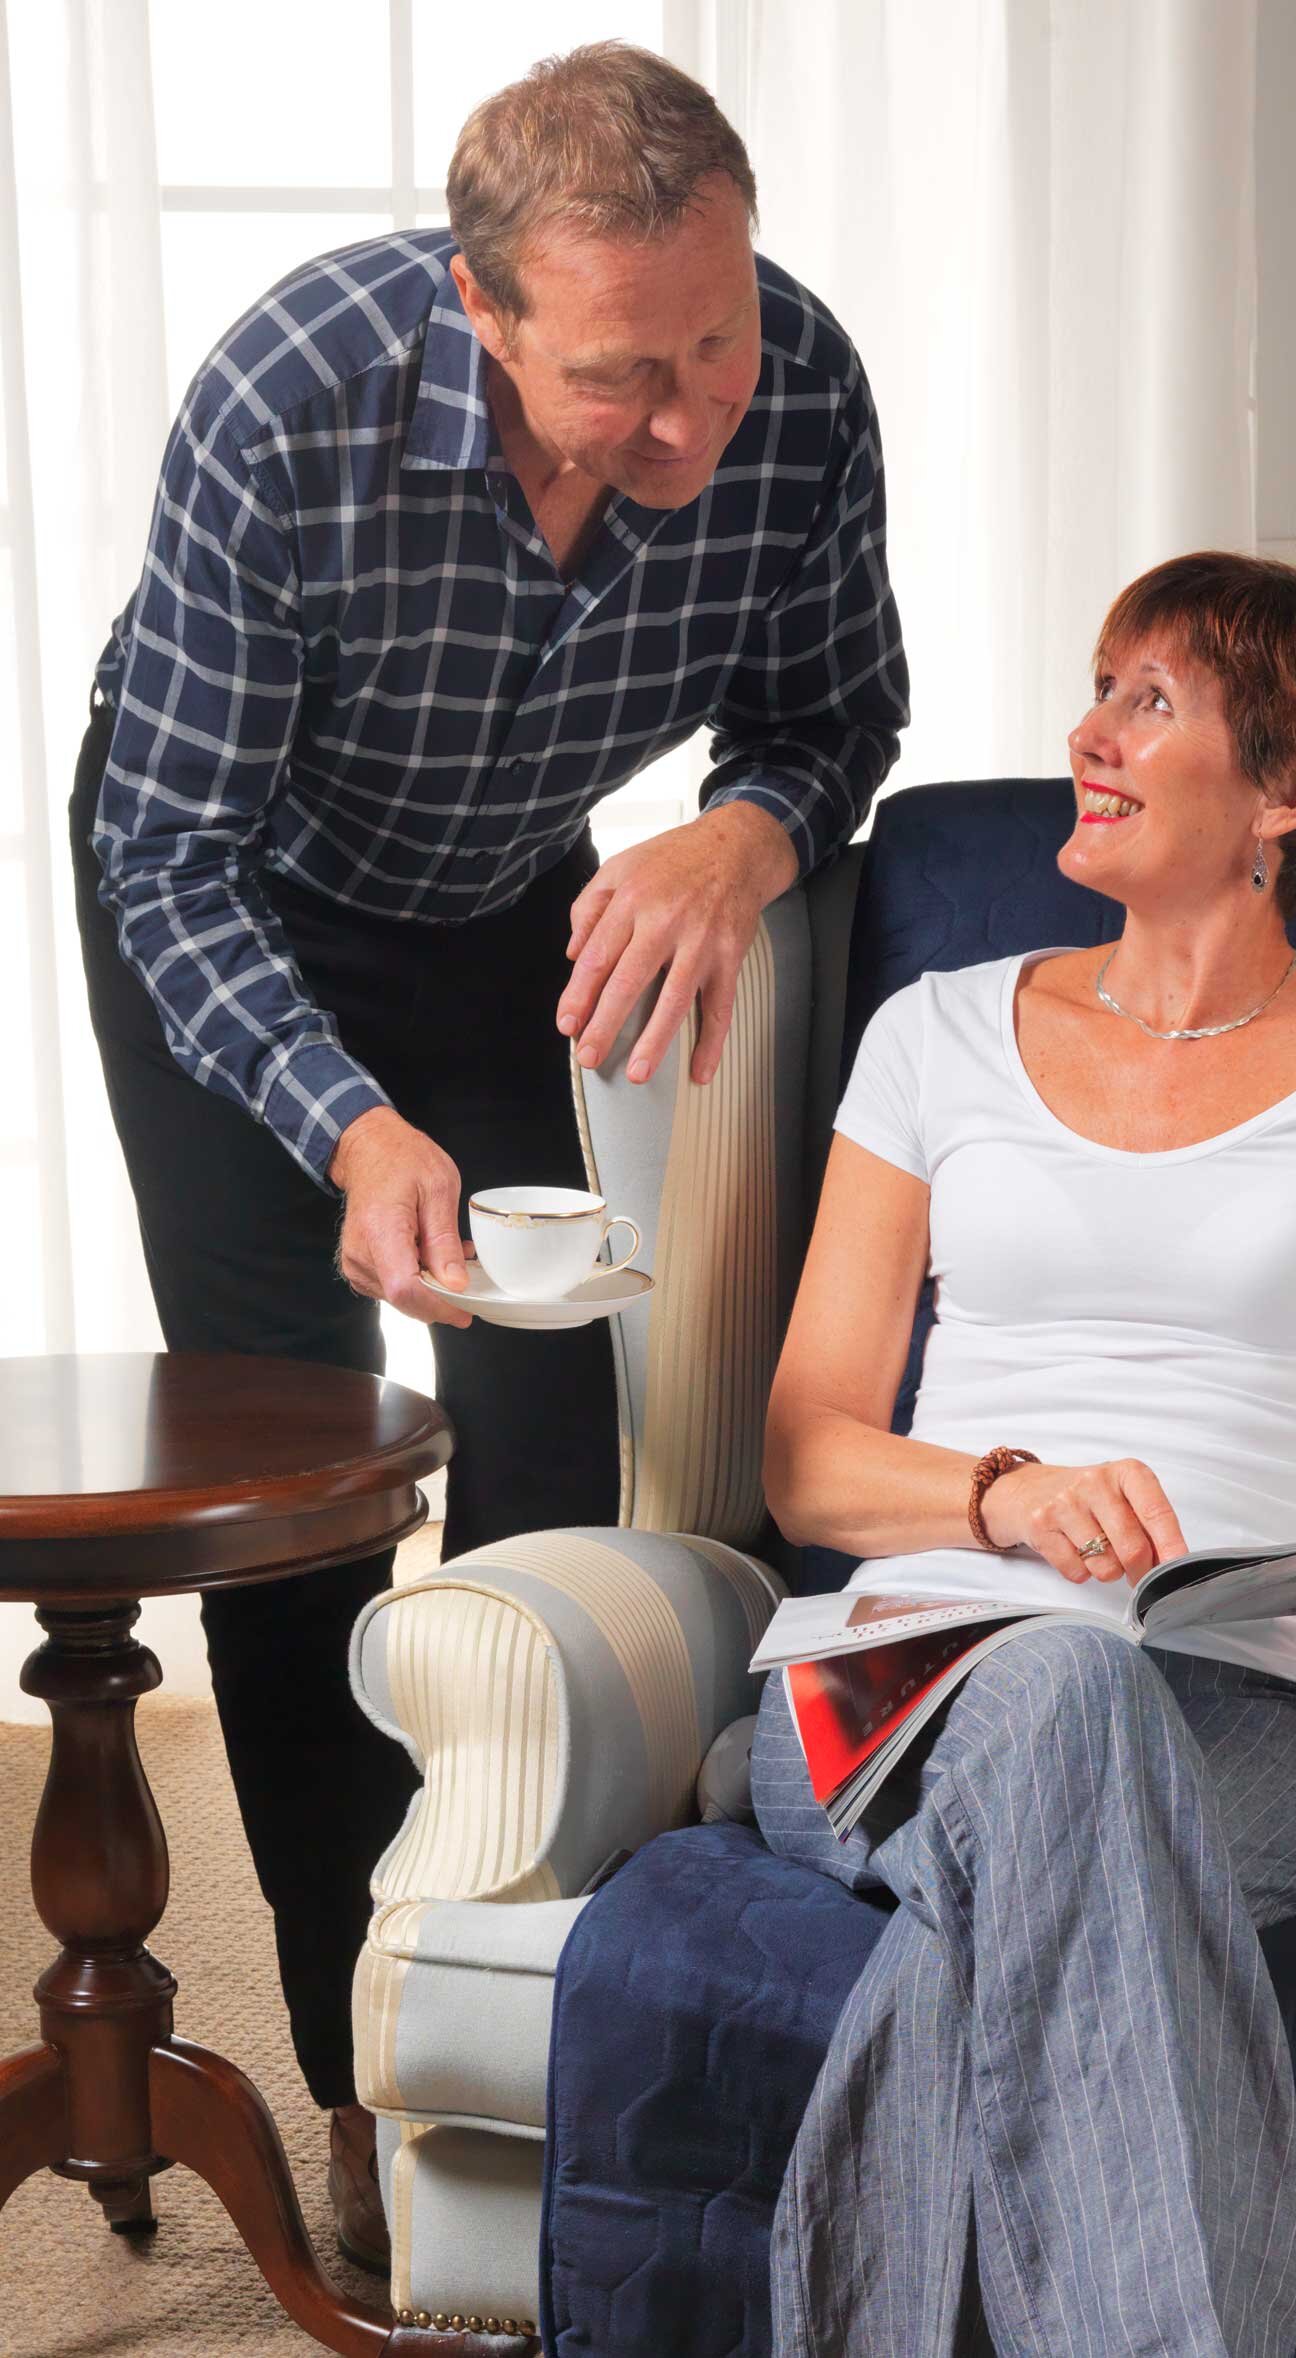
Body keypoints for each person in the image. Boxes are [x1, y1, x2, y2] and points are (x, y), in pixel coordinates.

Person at [68, 42, 906, 2269]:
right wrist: (344, 1126)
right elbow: (165, 853)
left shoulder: (794, 381)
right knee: (313, 1487)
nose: (695, 416)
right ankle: (361, 2063)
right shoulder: (291, 405)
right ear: (479, 312)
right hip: (231, 906)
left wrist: (740, 834)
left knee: (567, 1427)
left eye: (713, 342)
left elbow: (838, 715)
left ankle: (526, 1984)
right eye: (627, 375)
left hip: (500, 895)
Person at [757, 552, 1296, 2356]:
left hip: (1249, 1704)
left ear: (1285, 792)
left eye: (1148, 703)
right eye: (1099, 685)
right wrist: (1001, 1493)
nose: (1087, 735)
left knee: (1055, 1772)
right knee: (1056, 1685)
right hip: (893, 1683)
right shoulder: (935, 1034)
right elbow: (808, 1458)